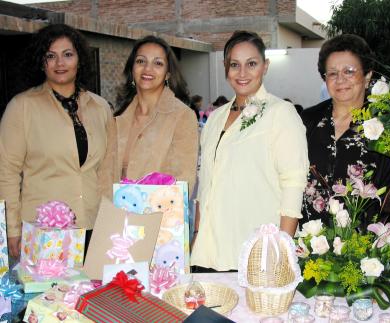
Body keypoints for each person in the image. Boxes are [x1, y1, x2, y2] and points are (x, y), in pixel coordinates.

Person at [191, 31, 309, 271]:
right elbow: (205, 184)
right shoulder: (214, 118)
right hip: (208, 251)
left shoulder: (280, 113)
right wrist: (196, 234)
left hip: (256, 253)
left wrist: (281, 252)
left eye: (251, 64)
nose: (242, 73)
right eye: (235, 65)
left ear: (265, 66)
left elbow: (293, 183)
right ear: (226, 68)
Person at [0, 24, 114, 258]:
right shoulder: (21, 107)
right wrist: (12, 229)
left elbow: (106, 171)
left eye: (67, 54)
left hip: (95, 224)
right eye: (50, 56)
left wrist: (111, 222)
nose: (60, 63)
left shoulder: (100, 107)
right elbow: (7, 172)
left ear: (80, 59)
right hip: (44, 232)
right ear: (41, 62)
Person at [300, 34, 390, 228]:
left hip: (366, 248)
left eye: (349, 71)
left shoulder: (388, 123)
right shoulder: (307, 121)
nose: (340, 79)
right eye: (332, 73)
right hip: (307, 241)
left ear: (368, 74)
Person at [114, 35, 199, 195]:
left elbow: (183, 180)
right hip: (116, 215)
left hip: (158, 215)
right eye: (141, 61)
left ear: (168, 74)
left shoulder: (182, 116)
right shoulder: (117, 118)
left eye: (158, 63)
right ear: (132, 69)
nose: (148, 69)